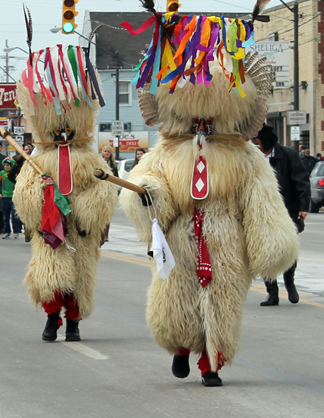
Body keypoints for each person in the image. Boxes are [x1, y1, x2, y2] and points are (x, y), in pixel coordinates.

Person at [119, 12, 299, 386]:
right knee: (177, 297)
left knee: (222, 303)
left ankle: (210, 363)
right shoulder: (166, 151)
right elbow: (147, 184)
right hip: (179, 238)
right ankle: (182, 349)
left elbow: (261, 199)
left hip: (226, 241)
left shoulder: (244, 154)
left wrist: (270, 240)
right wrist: (148, 193)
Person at [13, 44, 118, 343]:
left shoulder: (91, 158)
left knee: (79, 277)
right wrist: (42, 197)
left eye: (67, 128)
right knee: (50, 274)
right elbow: (24, 192)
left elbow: (103, 189)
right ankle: (51, 317)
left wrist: (86, 211)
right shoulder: (38, 159)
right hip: (50, 227)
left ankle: (73, 323)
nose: (62, 134)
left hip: (80, 230)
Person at [252, 124, 310, 306]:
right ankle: (272, 292)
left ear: (266, 140)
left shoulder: (287, 155)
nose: (254, 144)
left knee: (288, 248)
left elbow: (301, 181)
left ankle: (290, 283)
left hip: (286, 210)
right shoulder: (252, 157)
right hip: (261, 211)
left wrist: (303, 206)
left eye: (256, 140)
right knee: (265, 252)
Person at [0, 157, 21, 239]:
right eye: (5, 165)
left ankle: (16, 231)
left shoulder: (16, 174)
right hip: (5, 197)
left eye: (8, 165)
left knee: (14, 215)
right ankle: (7, 231)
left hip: (14, 197)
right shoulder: (2, 173)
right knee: (5, 216)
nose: (6, 167)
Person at [101, 145, 118, 242]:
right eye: (105, 151)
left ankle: (106, 234)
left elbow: (116, 177)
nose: (106, 153)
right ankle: (99, 233)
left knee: (108, 213)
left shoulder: (114, 165)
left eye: (108, 151)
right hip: (100, 190)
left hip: (110, 190)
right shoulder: (98, 163)